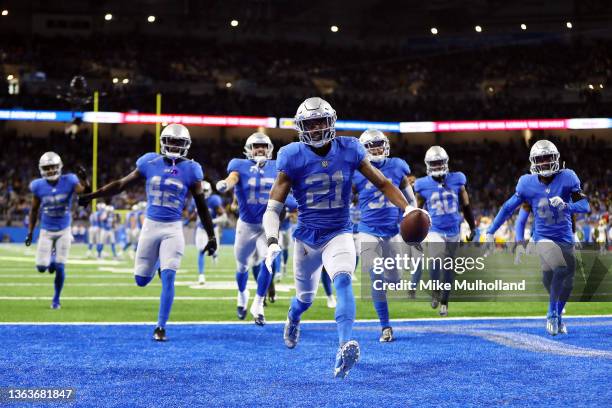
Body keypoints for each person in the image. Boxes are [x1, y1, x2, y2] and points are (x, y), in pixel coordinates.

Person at [262, 97, 418, 378]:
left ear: (332, 121)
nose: (317, 127)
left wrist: (408, 208)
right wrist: (272, 240)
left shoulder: (349, 149)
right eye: (311, 123)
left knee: (344, 278)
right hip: (307, 238)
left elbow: (383, 183)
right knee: (305, 299)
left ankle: (344, 345)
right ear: (301, 127)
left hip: (340, 231)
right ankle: (293, 318)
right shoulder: (291, 156)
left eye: (322, 121)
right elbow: (274, 207)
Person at [78, 123, 217, 341]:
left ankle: (160, 327)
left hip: (173, 229)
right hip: (150, 227)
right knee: (141, 280)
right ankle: (158, 265)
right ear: (163, 142)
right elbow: (120, 185)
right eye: (170, 141)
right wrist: (92, 196)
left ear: (186, 145)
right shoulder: (149, 162)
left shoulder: (192, 169)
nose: (174, 145)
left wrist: (211, 235)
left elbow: (201, 205)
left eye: (178, 142)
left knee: (169, 277)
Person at [486, 140, 589, 335]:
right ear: (533, 162)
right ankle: (551, 313)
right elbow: (508, 208)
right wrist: (491, 230)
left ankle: (558, 314)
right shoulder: (527, 183)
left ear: (556, 158)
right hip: (542, 237)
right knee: (560, 267)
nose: (544, 163)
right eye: (540, 159)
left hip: (565, 236)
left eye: (548, 158)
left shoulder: (568, 177)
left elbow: (585, 206)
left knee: (569, 282)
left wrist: (567, 206)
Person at [352, 129, 415, 341]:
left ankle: (390, 284)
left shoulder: (397, 166)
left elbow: (411, 200)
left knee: (395, 280)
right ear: (363, 149)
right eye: (371, 146)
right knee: (375, 277)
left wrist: (415, 217)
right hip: (368, 230)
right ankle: (385, 327)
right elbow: (343, 197)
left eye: (379, 144)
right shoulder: (357, 170)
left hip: (392, 231)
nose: (377, 149)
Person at [215, 132, 278, 324]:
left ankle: (258, 305)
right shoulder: (239, 165)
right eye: (256, 146)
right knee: (242, 265)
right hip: (247, 225)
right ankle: (242, 294)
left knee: (269, 259)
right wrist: (226, 184)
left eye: (264, 146)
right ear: (248, 150)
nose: (260, 149)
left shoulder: (277, 167)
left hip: (268, 224)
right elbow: (233, 178)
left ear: (269, 149)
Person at [411, 146, 476, 316]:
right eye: (434, 163)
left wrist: (473, 226)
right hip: (435, 230)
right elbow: (418, 211)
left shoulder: (458, 179)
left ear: (447, 163)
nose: (438, 166)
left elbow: (466, 205)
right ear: (427, 165)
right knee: (435, 260)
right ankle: (435, 291)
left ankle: (444, 301)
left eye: (440, 163)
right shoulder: (422, 184)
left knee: (448, 269)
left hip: (454, 230)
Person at [26, 152, 89, 309]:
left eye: (53, 167)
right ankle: (51, 262)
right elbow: (33, 210)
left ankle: (56, 299)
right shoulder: (37, 185)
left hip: (64, 229)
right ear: (41, 169)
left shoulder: (70, 180)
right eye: (47, 168)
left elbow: (85, 194)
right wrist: (30, 232)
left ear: (59, 166)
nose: (51, 170)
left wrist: (85, 180)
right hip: (46, 229)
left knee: (60, 266)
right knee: (41, 267)